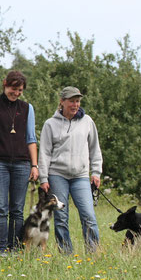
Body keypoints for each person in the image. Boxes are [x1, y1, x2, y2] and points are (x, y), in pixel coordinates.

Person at [0, 70, 38, 256]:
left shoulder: (27, 108)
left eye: (20, 90)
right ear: (5, 84)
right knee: (1, 208)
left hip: (22, 163)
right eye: (13, 88)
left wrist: (35, 165)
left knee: (18, 210)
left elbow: (31, 138)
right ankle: (1, 249)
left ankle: (15, 248)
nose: (16, 93)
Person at [38, 86, 102, 254]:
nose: (75, 105)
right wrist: (43, 178)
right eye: (72, 101)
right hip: (57, 174)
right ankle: (66, 253)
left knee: (89, 216)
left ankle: (93, 253)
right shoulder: (50, 124)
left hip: (80, 175)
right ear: (62, 102)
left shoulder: (87, 121)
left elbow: (95, 148)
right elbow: (44, 152)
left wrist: (96, 172)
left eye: (78, 101)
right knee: (61, 217)